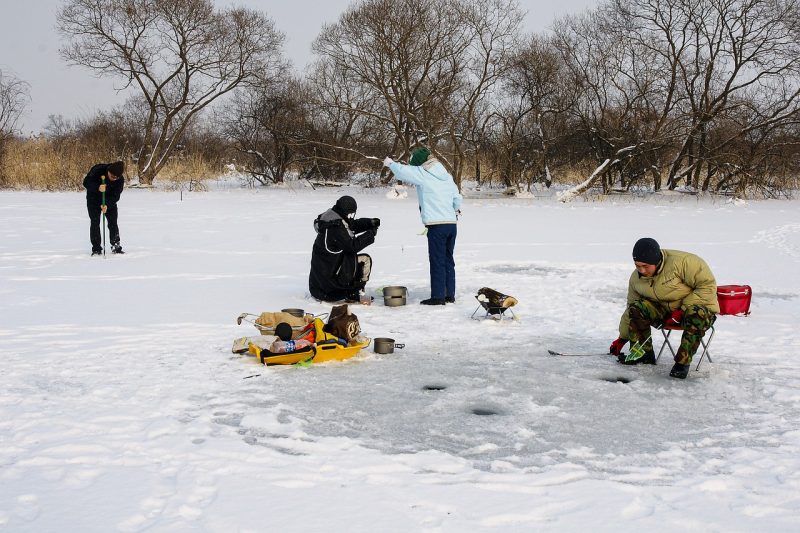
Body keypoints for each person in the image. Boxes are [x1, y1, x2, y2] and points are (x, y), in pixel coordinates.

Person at [609, 237, 719, 379]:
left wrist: (682, 310)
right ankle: (643, 354)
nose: (641, 270)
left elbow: (707, 286)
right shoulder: (636, 279)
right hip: (666, 313)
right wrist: (622, 338)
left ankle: (682, 364)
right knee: (637, 307)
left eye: (645, 266)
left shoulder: (684, 262)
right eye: (637, 265)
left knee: (695, 313)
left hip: (698, 312)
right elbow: (631, 308)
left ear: (656, 261)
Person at [383, 147, 462, 305]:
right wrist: (454, 210)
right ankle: (449, 295)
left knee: (437, 260)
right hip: (451, 225)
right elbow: (457, 197)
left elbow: (403, 172)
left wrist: (390, 164)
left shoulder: (423, 172)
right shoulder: (446, 176)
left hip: (436, 225)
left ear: (420, 163)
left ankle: (438, 297)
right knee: (448, 259)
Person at [309, 195, 379, 303]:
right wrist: (370, 234)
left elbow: (350, 226)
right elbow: (352, 246)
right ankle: (353, 292)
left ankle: (351, 289)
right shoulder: (336, 227)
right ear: (346, 211)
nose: (350, 216)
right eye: (350, 213)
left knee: (350, 258)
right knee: (365, 260)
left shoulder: (330, 218)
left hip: (318, 285)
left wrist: (370, 222)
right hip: (330, 289)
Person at [83, 160, 125, 255]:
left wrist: (107, 204)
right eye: (112, 176)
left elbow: (116, 195)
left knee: (113, 223)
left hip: (109, 201)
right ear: (108, 171)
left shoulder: (120, 180)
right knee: (95, 222)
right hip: (93, 199)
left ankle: (116, 246)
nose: (114, 179)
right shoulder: (98, 170)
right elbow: (86, 182)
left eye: (116, 177)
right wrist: (97, 187)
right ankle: (96, 248)